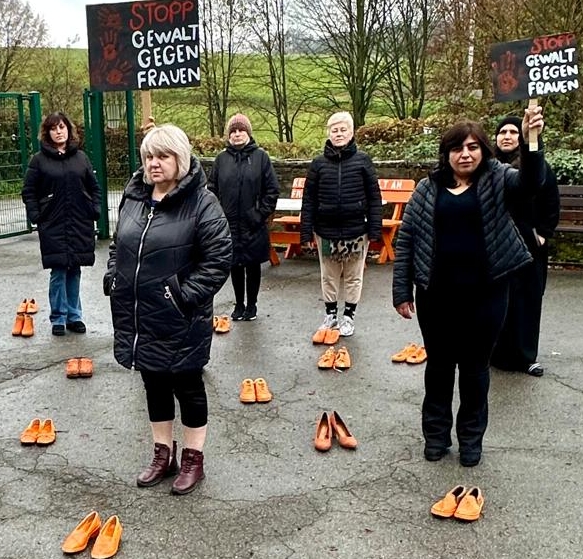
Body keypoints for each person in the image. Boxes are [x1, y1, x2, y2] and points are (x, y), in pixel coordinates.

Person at [392, 107, 546, 467]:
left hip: (486, 296)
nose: (466, 154)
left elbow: (531, 184)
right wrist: (401, 291)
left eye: (474, 147)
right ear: (446, 154)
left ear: (484, 151)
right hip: (436, 296)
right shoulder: (427, 189)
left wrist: (531, 140)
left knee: (476, 371)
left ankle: (471, 440)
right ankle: (435, 437)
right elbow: (407, 239)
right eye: (458, 148)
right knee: (440, 369)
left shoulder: (498, 179)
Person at [104, 124, 231, 495]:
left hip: (181, 316)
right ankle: (163, 454)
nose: (154, 164)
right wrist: (114, 277)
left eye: (163, 156)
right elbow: (118, 245)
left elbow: (219, 258)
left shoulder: (202, 202)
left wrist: (183, 296)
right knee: (153, 382)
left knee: (188, 386)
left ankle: (193, 458)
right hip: (138, 314)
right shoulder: (135, 196)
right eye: (148, 157)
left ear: (180, 158)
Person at [300, 111, 383, 337]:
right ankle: (330, 315)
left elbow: (374, 197)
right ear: (328, 133)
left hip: (356, 231)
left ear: (351, 132)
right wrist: (305, 232)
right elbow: (309, 199)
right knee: (329, 275)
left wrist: (375, 229)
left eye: (343, 129)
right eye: (334, 130)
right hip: (325, 231)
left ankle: (348, 316)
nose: (338, 134)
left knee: (353, 276)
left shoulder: (363, 161)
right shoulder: (318, 164)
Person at [490, 116, 560, 377]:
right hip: (496, 245)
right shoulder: (489, 168)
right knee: (498, 301)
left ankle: (525, 355)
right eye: (502, 132)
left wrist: (542, 232)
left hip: (529, 244)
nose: (507, 136)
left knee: (527, 300)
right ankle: (495, 353)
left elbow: (551, 201)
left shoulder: (537, 167)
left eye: (512, 131)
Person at [22, 112, 101, 336]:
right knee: (58, 270)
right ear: (47, 133)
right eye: (54, 128)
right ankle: (58, 317)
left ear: (69, 130)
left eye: (62, 127)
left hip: (79, 222)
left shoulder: (81, 158)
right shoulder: (38, 160)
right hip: (53, 223)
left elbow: (94, 188)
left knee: (74, 269)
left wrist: (94, 209)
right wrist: (37, 215)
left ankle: (74, 316)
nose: (59, 131)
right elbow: (29, 191)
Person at [207, 113, 280, 321]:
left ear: (248, 133)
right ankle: (238, 304)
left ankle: (252, 305)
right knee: (235, 266)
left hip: (253, 223)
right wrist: (218, 214)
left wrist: (259, 214)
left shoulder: (260, 157)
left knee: (253, 265)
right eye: (233, 131)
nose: (237, 134)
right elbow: (211, 189)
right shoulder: (221, 159)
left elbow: (272, 190)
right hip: (228, 223)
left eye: (240, 130)